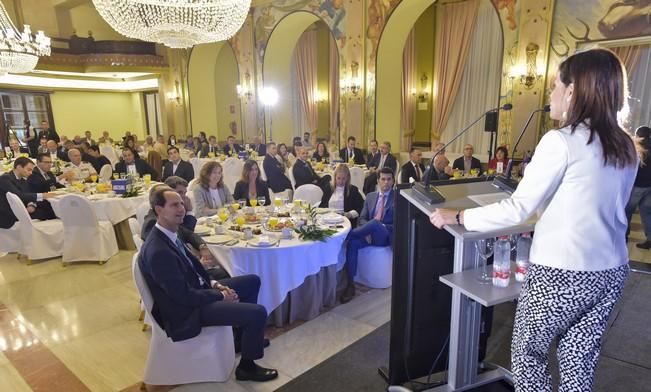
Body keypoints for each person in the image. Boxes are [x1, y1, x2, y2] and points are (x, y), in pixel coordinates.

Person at [430, 48, 638, 392]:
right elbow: (584, 202)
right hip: (611, 271)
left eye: (556, 84)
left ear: (572, 91)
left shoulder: (561, 141)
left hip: (562, 273)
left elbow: (518, 209)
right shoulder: (625, 145)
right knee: (577, 362)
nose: (551, 93)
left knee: (529, 360)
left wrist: (460, 214)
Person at [138, 186, 277, 382]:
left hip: (196, 292)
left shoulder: (169, 232)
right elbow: (183, 296)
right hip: (185, 312)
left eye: (181, 203)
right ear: (158, 210)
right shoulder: (159, 250)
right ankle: (247, 367)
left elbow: (192, 271)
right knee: (257, 313)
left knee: (252, 281)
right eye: (174, 205)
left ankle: (240, 339)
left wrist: (215, 284)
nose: (182, 209)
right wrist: (220, 295)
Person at [343, 167, 395, 302]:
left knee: (376, 223)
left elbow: (400, 224)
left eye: (389, 179)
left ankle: (346, 236)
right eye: (383, 179)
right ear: (378, 180)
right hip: (368, 235)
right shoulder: (371, 197)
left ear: (393, 181)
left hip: (385, 236)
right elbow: (362, 218)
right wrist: (369, 229)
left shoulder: (399, 199)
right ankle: (350, 284)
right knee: (353, 243)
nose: (386, 182)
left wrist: (377, 226)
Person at [0, 157, 57, 228]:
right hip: (9, 214)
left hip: (23, 209)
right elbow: (19, 195)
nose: (31, 173)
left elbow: (28, 194)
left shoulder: (23, 180)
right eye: (29, 170)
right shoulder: (5, 178)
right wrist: (42, 195)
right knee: (50, 212)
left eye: (32, 170)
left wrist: (31, 205)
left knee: (49, 208)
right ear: (19, 167)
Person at [626, 125, 651, 249]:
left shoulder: (637, 147)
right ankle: (650, 239)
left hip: (638, 186)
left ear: (639, 136)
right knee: (647, 213)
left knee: (626, 211)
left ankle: (623, 236)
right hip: (649, 187)